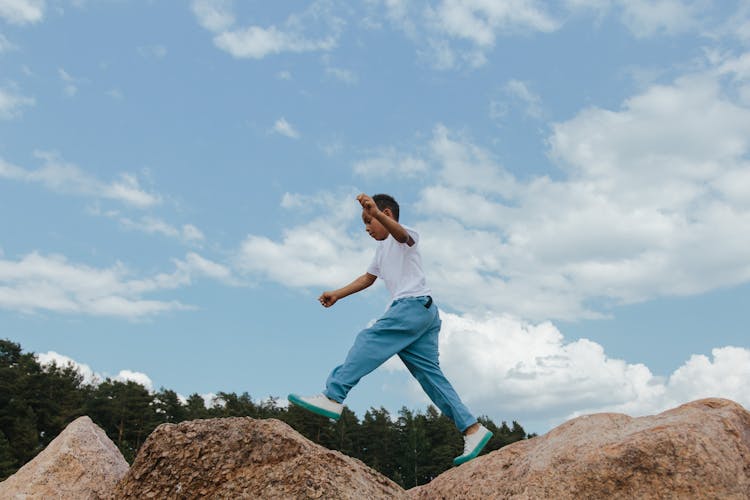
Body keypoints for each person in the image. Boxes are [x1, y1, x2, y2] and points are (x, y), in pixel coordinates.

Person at [288, 193, 492, 466]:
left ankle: (333, 396)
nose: (367, 228)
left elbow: (399, 234)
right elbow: (367, 278)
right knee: (430, 376)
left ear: (386, 214)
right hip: (424, 314)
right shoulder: (380, 250)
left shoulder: (406, 236)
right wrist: (337, 294)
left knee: (368, 339)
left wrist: (378, 213)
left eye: (369, 220)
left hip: (412, 306)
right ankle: (472, 429)